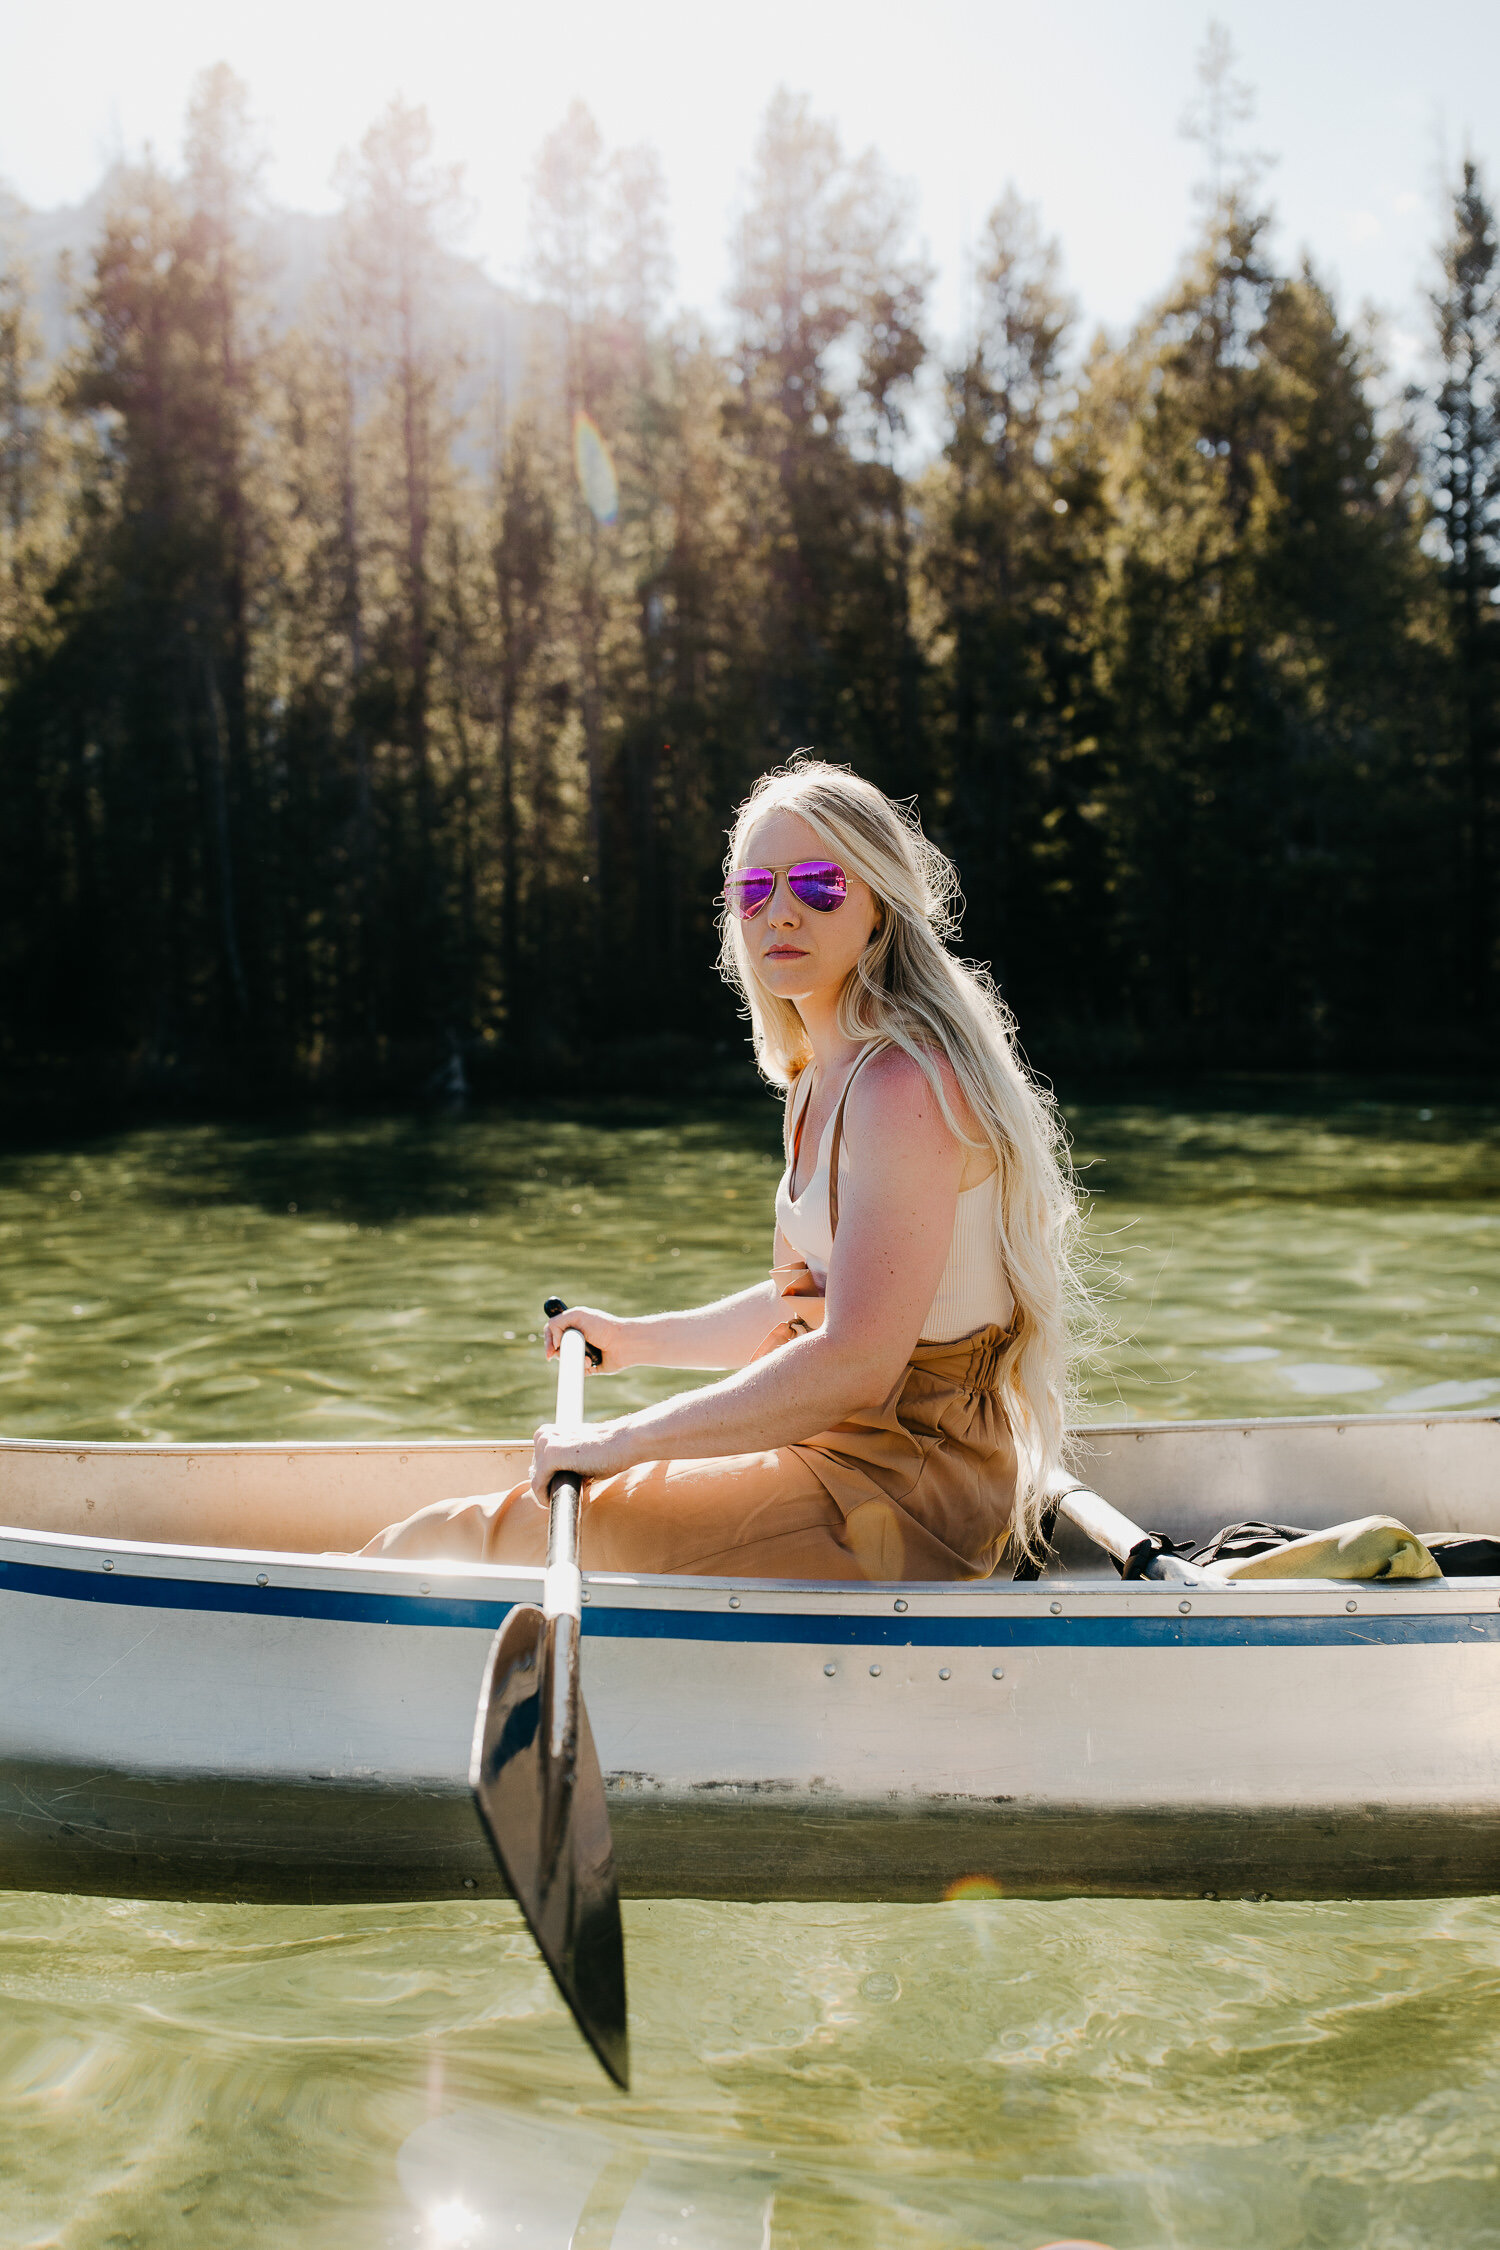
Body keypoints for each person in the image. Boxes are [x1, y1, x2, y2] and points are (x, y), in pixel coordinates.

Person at [362, 758, 1082, 1580]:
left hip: (904, 1490)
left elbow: (855, 1363)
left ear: (879, 906)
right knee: (462, 1532)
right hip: (839, 1449)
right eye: (753, 890)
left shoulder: (900, 1086)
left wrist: (620, 1442)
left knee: (469, 1541)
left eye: (817, 884)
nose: (779, 912)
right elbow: (800, 1307)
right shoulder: (820, 1077)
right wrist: (633, 1342)